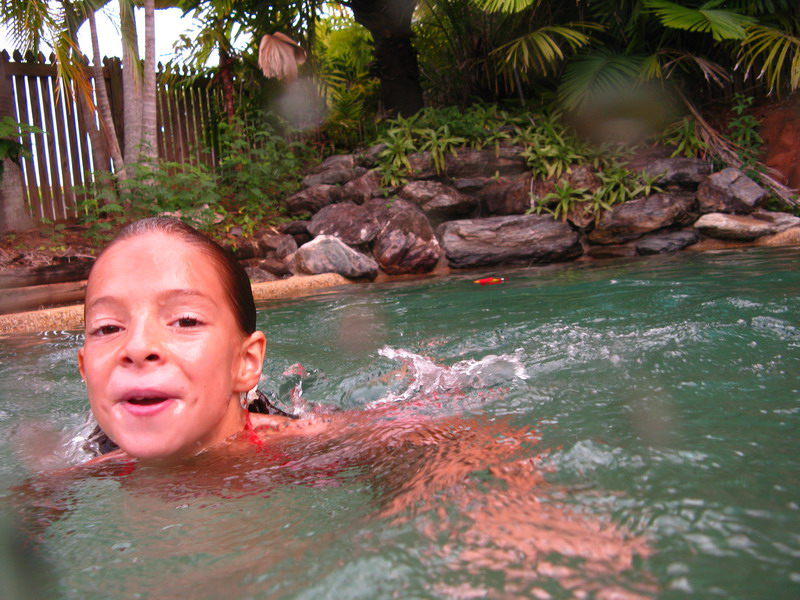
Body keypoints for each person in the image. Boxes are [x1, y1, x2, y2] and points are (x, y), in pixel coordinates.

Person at [79, 217, 298, 464]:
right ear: (84, 368)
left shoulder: (321, 449)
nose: (137, 346)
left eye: (186, 321)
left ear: (246, 362)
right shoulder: (64, 492)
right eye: (108, 328)